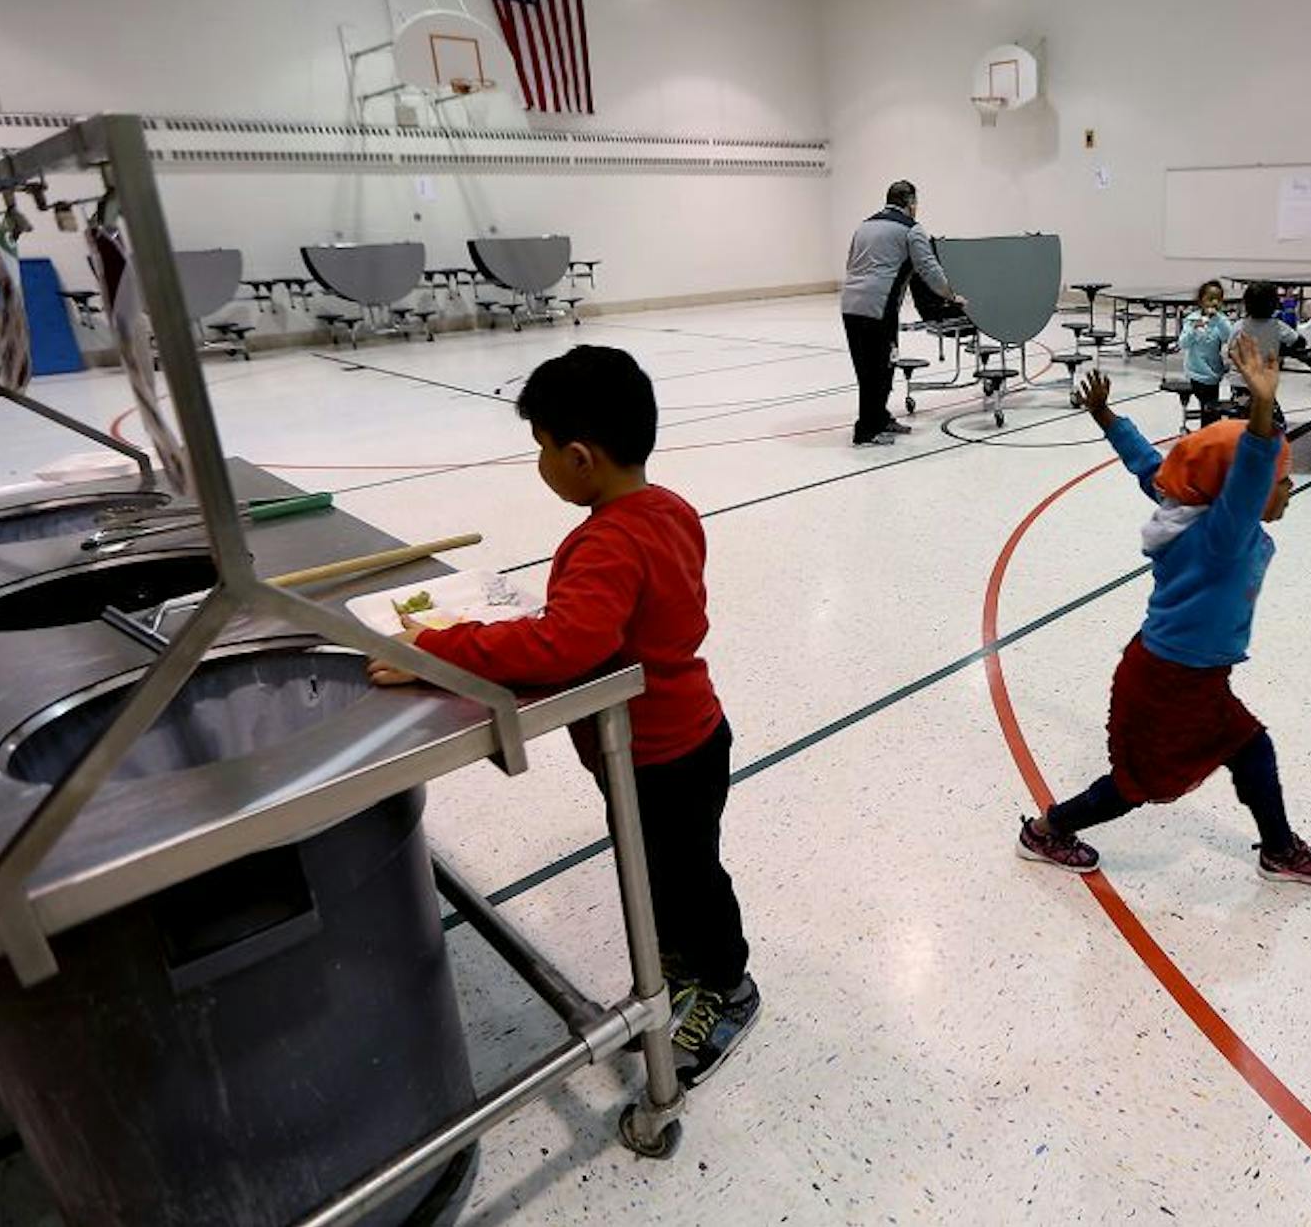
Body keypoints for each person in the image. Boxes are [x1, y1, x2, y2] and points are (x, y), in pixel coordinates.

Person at [368, 346, 759, 1086]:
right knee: (663, 872)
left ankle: (728, 987)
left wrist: (441, 648)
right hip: (688, 735)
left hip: (660, 752)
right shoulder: (665, 507)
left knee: (688, 877)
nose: (540, 464)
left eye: (541, 449)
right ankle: (673, 964)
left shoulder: (607, 539)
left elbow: (571, 642)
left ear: (579, 457)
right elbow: (617, 618)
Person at [1015, 340, 1311, 884]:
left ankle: (1280, 850)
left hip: (1191, 676)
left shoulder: (1189, 510)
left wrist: (1106, 417)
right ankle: (1046, 832)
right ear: (1246, 490)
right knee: (1135, 787)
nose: (1289, 489)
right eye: (1282, 481)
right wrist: (1262, 408)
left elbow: (1150, 466)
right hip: (1167, 683)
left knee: (1250, 745)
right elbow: (1250, 472)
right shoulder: (1223, 536)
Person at [839, 180, 960, 447]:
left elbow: (851, 262)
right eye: (916, 203)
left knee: (868, 368)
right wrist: (952, 296)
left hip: (850, 305)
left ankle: (879, 418)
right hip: (879, 308)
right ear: (910, 203)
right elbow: (929, 269)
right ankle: (866, 431)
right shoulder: (911, 229)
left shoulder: (864, 226)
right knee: (880, 368)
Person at [1178, 279, 1235, 422]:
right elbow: (1183, 343)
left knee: (1211, 412)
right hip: (1196, 372)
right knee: (1208, 409)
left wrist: (1218, 321)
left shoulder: (1221, 320)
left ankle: (1209, 430)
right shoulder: (1192, 320)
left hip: (1213, 373)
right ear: (1201, 300)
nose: (1214, 303)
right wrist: (1194, 329)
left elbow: (1229, 337)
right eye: (1210, 299)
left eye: (1218, 299)